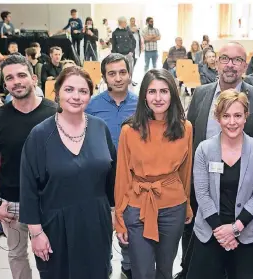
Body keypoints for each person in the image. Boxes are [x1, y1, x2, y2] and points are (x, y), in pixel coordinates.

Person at [177, 42, 253, 278]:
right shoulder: (200, 93)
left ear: (245, 64)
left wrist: (237, 226)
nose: (230, 64)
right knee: (197, 257)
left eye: (237, 60)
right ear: (215, 61)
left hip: (242, 198)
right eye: (225, 58)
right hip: (204, 195)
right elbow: (190, 137)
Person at [19, 66, 116, 279]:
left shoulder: (101, 128)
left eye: (83, 91)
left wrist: (113, 214)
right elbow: (28, 190)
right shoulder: (39, 135)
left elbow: (112, 178)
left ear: (90, 95)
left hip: (95, 224)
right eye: (69, 89)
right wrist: (36, 234)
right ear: (58, 93)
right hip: (55, 228)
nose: (76, 96)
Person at [0, 55, 57, 279]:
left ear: (34, 78)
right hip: (12, 202)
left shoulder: (54, 113)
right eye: (10, 78)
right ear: (5, 85)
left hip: (48, 200)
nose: (17, 82)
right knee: (17, 255)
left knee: (50, 253)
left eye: (22, 75)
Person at [114, 69, 193, 279]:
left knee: (165, 270)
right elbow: (122, 176)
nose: (158, 98)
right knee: (143, 272)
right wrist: (119, 217)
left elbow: (185, 171)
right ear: (144, 96)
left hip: (172, 206)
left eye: (164, 91)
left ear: (173, 95)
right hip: (137, 206)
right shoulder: (129, 131)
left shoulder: (185, 128)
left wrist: (187, 205)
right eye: (152, 92)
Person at [85, 53, 138, 279]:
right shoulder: (91, 105)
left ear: (129, 74)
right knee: (101, 231)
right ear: (104, 77)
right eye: (112, 73)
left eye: (122, 72)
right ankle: (103, 268)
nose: (118, 78)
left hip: (133, 179)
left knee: (130, 231)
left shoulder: (141, 104)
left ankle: (127, 269)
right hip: (99, 180)